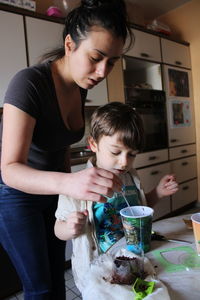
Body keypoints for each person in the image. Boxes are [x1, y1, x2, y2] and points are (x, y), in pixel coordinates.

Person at [0, 1, 132, 299]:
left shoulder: (80, 87)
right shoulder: (29, 83)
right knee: (40, 288)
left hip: (53, 194)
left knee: (58, 277)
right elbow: (9, 169)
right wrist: (70, 182)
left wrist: (75, 184)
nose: (102, 71)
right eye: (96, 57)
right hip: (15, 196)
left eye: (111, 62)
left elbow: (58, 147)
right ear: (70, 44)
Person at [54, 101, 179, 293]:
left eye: (132, 154)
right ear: (93, 144)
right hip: (99, 273)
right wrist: (69, 227)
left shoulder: (131, 177)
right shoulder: (77, 185)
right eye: (116, 152)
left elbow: (139, 208)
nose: (124, 162)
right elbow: (58, 229)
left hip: (134, 261)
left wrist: (158, 193)